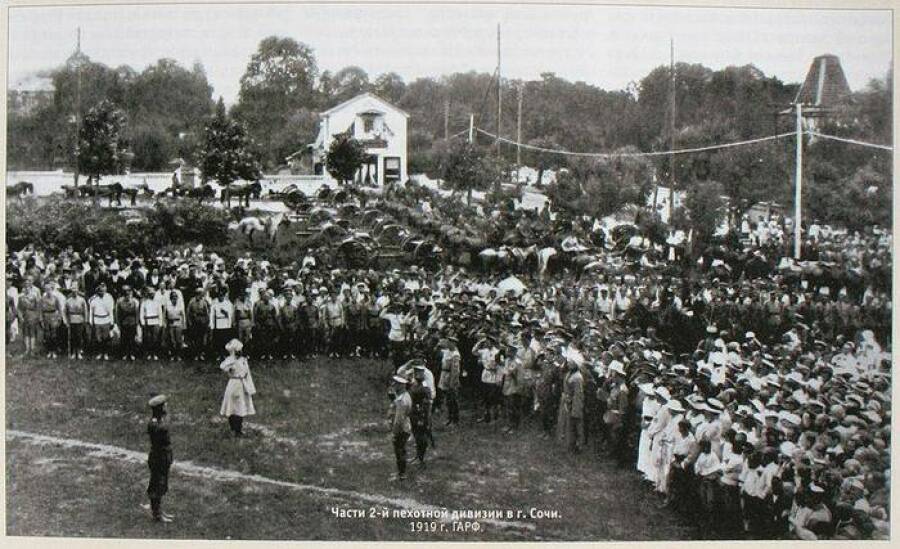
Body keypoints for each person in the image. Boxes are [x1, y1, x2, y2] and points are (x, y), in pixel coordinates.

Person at [219, 338, 256, 437]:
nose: (240, 352)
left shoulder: (244, 360)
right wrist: (230, 363)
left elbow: (247, 374)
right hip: (233, 384)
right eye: (238, 351)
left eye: (240, 350)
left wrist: (250, 388)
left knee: (240, 407)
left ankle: (238, 429)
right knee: (231, 407)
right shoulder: (230, 360)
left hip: (241, 385)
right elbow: (223, 367)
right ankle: (233, 428)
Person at [146, 394, 174, 523]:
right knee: (157, 485)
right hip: (159, 457)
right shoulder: (156, 424)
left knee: (162, 484)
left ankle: (159, 511)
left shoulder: (159, 421)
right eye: (164, 405)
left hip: (163, 455)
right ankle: (156, 514)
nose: (167, 407)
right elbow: (164, 429)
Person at [387, 374, 412, 481]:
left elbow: (398, 420)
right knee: (401, 450)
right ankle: (401, 473)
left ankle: (401, 474)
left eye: (396, 383)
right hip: (405, 426)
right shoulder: (405, 396)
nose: (394, 385)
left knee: (399, 451)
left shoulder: (402, 400)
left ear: (402, 385)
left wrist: (394, 432)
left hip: (401, 429)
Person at [409, 366, 432, 467]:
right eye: (416, 373)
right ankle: (417, 456)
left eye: (419, 373)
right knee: (416, 435)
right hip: (414, 414)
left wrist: (423, 418)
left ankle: (421, 458)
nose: (417, 375)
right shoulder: (415, 384)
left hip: (420, 415)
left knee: (421, 437)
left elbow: (426, 403)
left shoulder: (424, 387)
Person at [437, 336, 461, 426]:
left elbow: (455, 371)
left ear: (454, 344)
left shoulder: (455, 355)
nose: (448, 343)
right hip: (444, 375)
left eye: (450, 342)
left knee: (453, 400)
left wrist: (452, 382)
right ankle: (449, 418)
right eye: (448, 342)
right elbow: (440, 345)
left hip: (450, 377)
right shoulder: (447, 351)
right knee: (447, 399)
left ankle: (455, 420)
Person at [89, 282, 115, 360]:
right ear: (97, 290)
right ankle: (100, 353)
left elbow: (111, 311)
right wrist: (91, 321)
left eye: (103, 288)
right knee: (98, 338)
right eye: (100, 289)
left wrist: (112, 321)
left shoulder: (109, 297)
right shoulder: (93, 299)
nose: (101, 291)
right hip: (97, 320)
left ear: (105, 289)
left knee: (106, 338)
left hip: (106, 320)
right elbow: (91, 311)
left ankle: (106, 353)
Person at [40, 283, 64, 358]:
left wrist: (59, 318)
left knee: (54, 335)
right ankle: (49, 351)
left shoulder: (55, 298)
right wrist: (41, 320)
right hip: (46, 317)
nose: (48, 291)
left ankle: (54, 351)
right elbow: (40, 310)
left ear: (52, 290)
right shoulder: (42, 299)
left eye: (49, 289)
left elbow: (59, 309)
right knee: (47, 335)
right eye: (46, 289)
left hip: (54, 316)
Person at [115, 285, 140, 361]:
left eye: (129, 291)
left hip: (132, 322)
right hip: (124, 322)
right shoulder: (119, 301)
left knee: (132, 339)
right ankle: (124, 353)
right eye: (126, 291)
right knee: (124, 338)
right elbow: (117, 313)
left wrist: (137, 323)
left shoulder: (135, 301)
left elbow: (137, 313)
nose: (127, 293)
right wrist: (118, 323)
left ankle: (132, 354)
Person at [64, 288, 88, 359]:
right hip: (71, 320)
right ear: (71, 292)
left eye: (76, 291)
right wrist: (66, 321)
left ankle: (79, 351)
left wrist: (85, 320)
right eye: (73, 292)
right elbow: (65, 311)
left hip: (80, 319)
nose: (74, 293)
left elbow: (85, 310)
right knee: (72, 337)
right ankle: (74, 352)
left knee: (79, 336)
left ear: (78, 292)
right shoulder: (68, 301)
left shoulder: (82, 300)